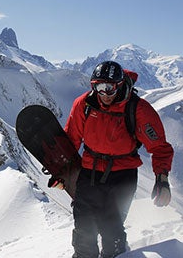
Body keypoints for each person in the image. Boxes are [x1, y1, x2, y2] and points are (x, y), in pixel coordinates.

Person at [51, 61, 174, 258]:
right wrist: (60, 171)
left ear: (119, 84)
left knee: (111, 229)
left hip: (122, 177)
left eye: (110, 88)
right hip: (90, 172)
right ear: (93, 86)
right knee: (83, 227)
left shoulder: (138, 109)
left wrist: (162, 179)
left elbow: (159, 147)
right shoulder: (84, 105)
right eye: (100, 87)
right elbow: (71, 140)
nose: (106, 93)